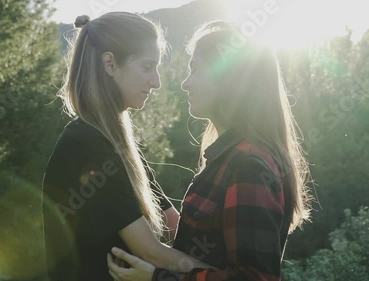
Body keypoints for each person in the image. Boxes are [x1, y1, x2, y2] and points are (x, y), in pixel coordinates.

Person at [107, 20, 312, 281]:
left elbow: (255, 278)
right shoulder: (229, 158)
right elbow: (200, 241)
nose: (185, 84)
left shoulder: (248, 165)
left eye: (194, 70)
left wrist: (157, 278)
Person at [42, 12, 211, 281]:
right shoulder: (87, 144)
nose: (156, 82)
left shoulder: (116, 143)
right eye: (146, 67)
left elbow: (172, 225)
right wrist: (226, 276)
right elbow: (151, 252)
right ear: (109, 64)